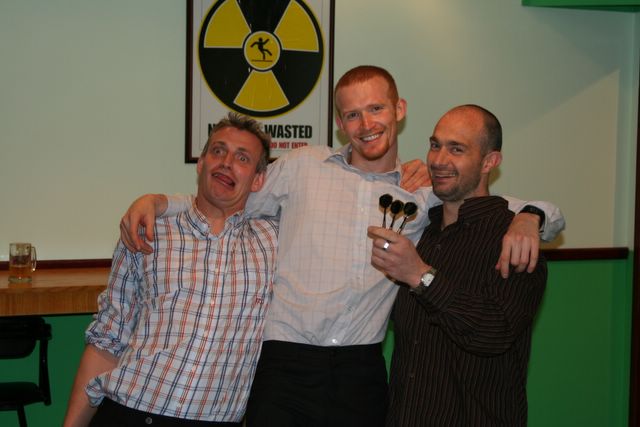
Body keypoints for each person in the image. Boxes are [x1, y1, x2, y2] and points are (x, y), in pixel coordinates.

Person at [119, 66, 564, 426]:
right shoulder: (302, 166)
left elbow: (485, 200)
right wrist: (162, 202)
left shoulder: (422, 191)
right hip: (285, 364)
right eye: (352, 115)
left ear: (399, 110)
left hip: (361, 371)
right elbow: (228, 197)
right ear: (339, 123)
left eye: (376, 109)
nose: (366, 125)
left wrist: (534, 216)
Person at [63, 112, 278, 427]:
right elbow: (107, 339)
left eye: (242, 158)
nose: (226, 163)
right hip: (128, 411)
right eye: (218, 151)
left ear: (258, 180)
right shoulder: (149, 229)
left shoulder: (274, 241)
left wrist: (159, 199)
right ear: (201, 163)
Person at [369, 104, 548, 426]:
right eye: (435, 145)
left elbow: (494, 333)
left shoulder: (514, 240)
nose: (439, 160)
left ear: (490, 162)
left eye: (457, 149)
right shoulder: (420, 233)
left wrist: (420, 275)